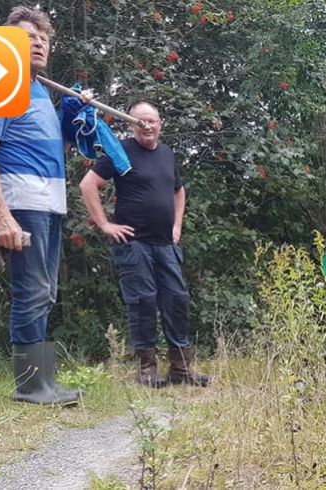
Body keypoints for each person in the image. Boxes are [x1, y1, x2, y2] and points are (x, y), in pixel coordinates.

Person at [0, 6, 89, 406]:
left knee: (46, 291)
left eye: (43, 39)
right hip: (22, 199)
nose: (38, 43)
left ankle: (42, 382)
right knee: (32, 291)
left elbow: (52, 149)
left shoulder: (39, 91)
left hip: (50, 201)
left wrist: (70, 119)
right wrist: (1, 216)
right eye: (27, 37)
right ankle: (29, 387)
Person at [79, 102, 209, 388]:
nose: (147, 126)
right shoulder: (120, 151)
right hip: (133, 244)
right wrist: (104, 224)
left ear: (160, 124)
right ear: (131, 124)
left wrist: (177, 225)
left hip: (166, 244)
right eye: (140, 122)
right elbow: (88, 185)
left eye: (151, 121)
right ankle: (147, 368)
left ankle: (180, 367)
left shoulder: (166, 154)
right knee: (143, 303)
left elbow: (179, 190)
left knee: (177, 299)